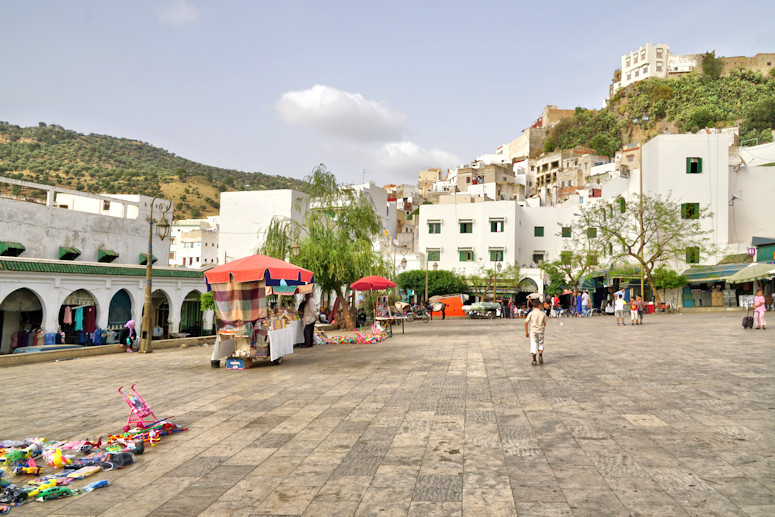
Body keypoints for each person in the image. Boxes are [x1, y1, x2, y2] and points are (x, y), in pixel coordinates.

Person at [525, 299, 547, 365]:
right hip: (540, 330)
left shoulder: (531, 313)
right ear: (540, 306)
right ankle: (540, 355)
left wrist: (526, 331)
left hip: (533, 330)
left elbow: (526, 322)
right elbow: (545, 323)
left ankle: (534, 360)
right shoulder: (543, 313)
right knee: (541, 343)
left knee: (533, 343)